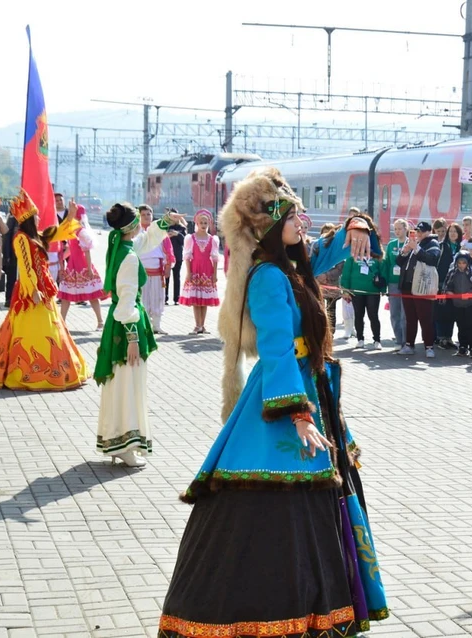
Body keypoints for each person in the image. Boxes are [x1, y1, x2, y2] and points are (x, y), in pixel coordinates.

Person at [158, 167, 388, 636]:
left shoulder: (288, 265)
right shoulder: (266, 277)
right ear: (269, 226)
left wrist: (356, 225)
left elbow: (326, 248)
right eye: (293, 216)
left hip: (311, 392)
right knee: (276, 522)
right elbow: (278, 348)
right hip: (285, 399)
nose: (302, 222)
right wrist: (298, 414)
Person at [94, 203, 186, 467]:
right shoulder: (129, 257)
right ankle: (125, 443)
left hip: (118, 325)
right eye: (138, 221)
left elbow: (145, 241)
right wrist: (133, 338)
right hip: (126, 328)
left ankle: (116, 439)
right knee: (127, 384)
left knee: (119, 384)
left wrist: (166, 221)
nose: (140, 226)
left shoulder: (120, 246)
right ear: (131, 226)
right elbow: (126, 301)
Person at [0, 189, 88, 391]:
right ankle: (25, 373)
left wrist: (71, 215)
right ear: (29, 218)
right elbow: (26, 267)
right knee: (30, 331)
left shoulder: (37, 236)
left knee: (52, 330)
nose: (39, 218)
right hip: (32, 293)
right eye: (36, 215)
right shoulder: (21, 238)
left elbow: (58, 232)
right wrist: (33, 291)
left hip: (43, 290)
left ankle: (57, 370)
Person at [58, 202, 108, 329]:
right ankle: (61, 321)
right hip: (72, 265)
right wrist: (60, 261)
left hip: (83, 265)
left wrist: (89, 268)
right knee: (65, 295)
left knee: (92, 295)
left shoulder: (81, 231)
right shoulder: (72, 230)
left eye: (72, 212)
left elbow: (86, 250)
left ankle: (100, 321)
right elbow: (70, 249)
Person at [396, 221, 441, 358]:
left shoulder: (433, 243)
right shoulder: (414, 242)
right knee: (410, 318)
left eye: (421, 231)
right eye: (417, 231)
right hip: (407, 286)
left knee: (425, 318)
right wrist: (404, 252)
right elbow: (399, 262)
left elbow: (432, 259)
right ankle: (409, 345)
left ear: (428, 232)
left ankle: (429, 346)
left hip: (422, 286)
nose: (418, 233)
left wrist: (416, 249)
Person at [340, 215, 385, 350]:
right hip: (356, 290)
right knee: (359, 316)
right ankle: (360, 339)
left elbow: (382, 273)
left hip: (372, 291)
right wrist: (345, 290)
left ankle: (377, 340)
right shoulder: (352, 254)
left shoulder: (377, 255)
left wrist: (383, 288)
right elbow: (346, 273)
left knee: (373, 316)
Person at [179, 209, 220, 335]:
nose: (203, 225)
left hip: (207, 270)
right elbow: (187, 256)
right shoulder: (191, 238)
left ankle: (203, 325)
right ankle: (197, 325)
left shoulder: (212, 239)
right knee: (196, 300)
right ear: (197, 223)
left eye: (205, 223)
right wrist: (188, 272)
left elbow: (215, 258)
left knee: (205, 300)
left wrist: (215, 274)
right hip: (195, 269)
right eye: (201, 223)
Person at [135, 204, 174, 334]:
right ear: (139, 216)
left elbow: (169, 250)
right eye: (143, 215)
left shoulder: (159, 231)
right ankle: (144, 326)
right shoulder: (136, 232)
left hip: (157, 270)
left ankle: (156, 326)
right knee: (143, 299)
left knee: (157, 298)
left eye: (149, 214)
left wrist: (168, 266)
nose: (146, 217)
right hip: (141, 270)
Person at [444, 250, 472, 357]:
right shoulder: (452, 273)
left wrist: (470, 294)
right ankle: (462, 346)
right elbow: (447, 285)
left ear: (468, 263)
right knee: (461, 326)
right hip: (457, 304)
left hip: (471, 305)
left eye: (464, 263)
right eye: (459, 263)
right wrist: (449, 292)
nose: (461, 265)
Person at [382, 219, 409, 348]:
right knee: (394, 313)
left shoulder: (410, 243)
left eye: (400, 228)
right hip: (393, 283)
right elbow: (386, 264)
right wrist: (385, 282)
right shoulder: (391, 245)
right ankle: (398, 340)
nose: (397, 231)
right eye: (395, 229)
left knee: (405, 314)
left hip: (406, 283)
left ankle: (406, 340)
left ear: (405, 229)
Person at [164, 209, 186, 305]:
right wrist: (167, 235)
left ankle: (176, 299)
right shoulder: (165, 227)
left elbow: (185, 241)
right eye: (173, 217)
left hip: (178, 256)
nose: (175, 219)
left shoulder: (182, 228)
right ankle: (165, 297)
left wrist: (177, 234)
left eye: (177, 217)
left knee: (176, 277)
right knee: (166, 277)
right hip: (167, 257)